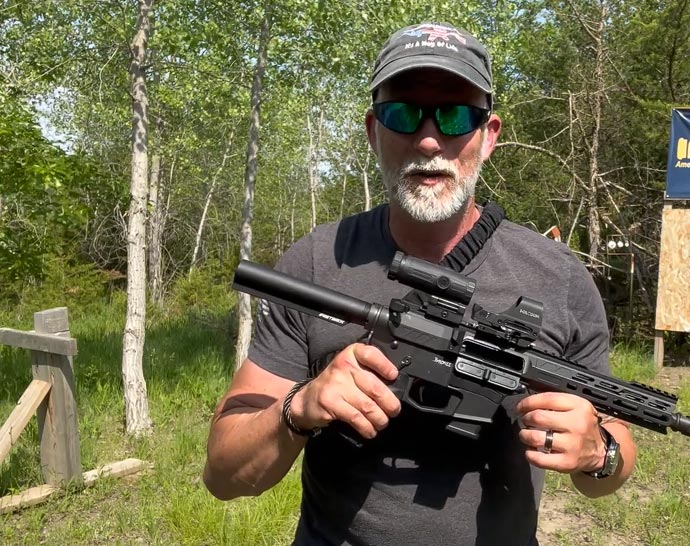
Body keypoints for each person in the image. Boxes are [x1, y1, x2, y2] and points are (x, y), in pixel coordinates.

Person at [203, 22, 637, 546]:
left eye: (455, 115)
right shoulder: (316, 262)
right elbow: (224, 475)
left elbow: (614, 451)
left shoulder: (558, 275)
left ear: (489, 135)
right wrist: (300, 408)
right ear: (372, 130)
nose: (429, 139)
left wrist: (599, 453)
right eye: (403, 113)